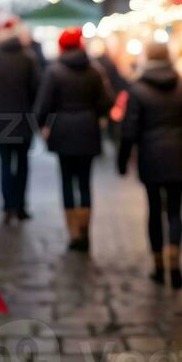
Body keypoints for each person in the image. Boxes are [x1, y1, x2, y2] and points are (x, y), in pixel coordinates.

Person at [118, 39, 182, 289]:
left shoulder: (137, 89)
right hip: (180, 155)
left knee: (153, 210)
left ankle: (159, 265)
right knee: (174, 210)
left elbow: (128, 131)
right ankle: (175, 261)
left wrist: (122, 159)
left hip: (150, 156)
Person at [35, 27, 113, 252]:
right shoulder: (94, 70)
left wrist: (42, 125)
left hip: (63, 131)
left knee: (67, 181)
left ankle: (73, 233)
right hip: (88, 130)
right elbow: (107, 101)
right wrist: (95, 113)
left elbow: (44, 104)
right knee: (85, 182)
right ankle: (85, 231)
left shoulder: (54, 72)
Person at [0, 19, 41, 222]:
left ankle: (7, 206)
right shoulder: (28, 58)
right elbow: (37, 90)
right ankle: (20, 206)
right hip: (24, 121)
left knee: (3, 163)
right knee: (22, 164)